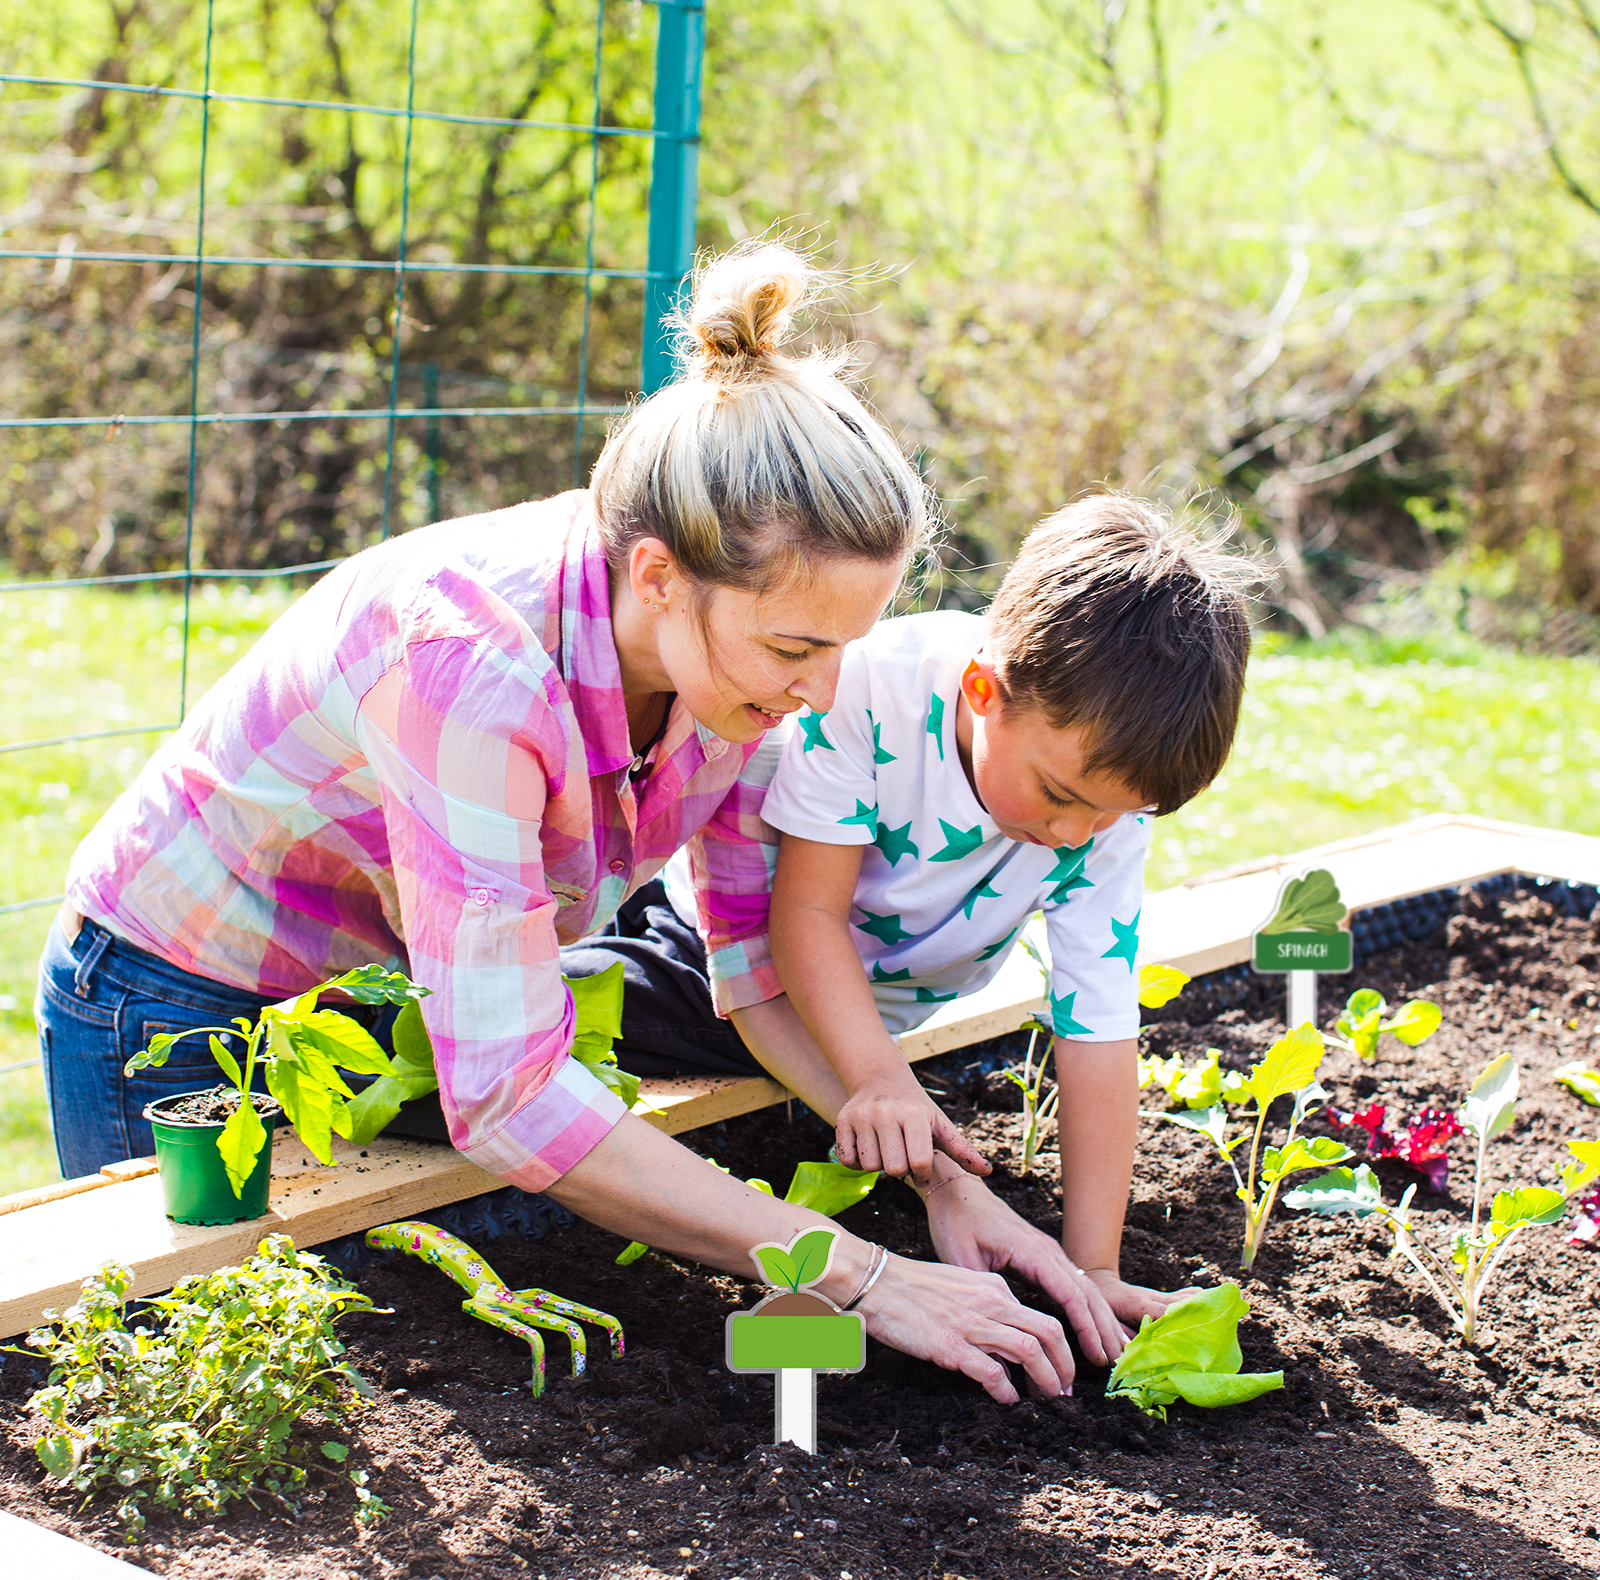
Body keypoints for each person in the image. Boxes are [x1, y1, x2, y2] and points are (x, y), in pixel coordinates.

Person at [36, 240, 1092, 1403]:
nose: (824, 690)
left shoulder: (727, 671)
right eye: (798, 646)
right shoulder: (468, 667)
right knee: (196, 1386)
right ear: (658, 576)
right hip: (179, 1000)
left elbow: (751, 967)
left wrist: (946, 1182)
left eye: (846, 644)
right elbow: (508, 1093)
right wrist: (859, 1275)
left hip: (370, 1001)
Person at [569, 494, 1255, 1333]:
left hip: (852, 1013)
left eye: (1114, 813)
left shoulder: (1101, 802)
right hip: (713, 964)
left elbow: (1099, 1027)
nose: (1077, 834)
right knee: (546, 1019)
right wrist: (880, 1081)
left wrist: (1096, 1268)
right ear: (983, 690)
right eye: (1057, 796)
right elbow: (804, 919)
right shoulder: (871, 690)